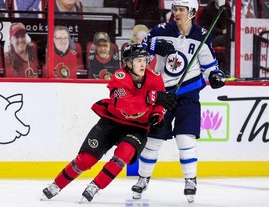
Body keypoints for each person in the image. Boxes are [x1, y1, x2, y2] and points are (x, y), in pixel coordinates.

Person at [41, 43, 177, 203]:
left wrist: (156, 117)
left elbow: (159, 105)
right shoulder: (119, 78)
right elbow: (126, 106)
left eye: (144, 60)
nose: (143, 64)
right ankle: (56, 185)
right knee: (85, 159)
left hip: (137, 127)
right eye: (138, 60)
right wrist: (151, 98)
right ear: (128, 63)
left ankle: (95, 186)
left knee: (123, 154)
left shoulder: (154, 77)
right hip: (112, 122)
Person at [131, 0, 226, 203]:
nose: (177, 13)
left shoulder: (201, 35)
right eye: (175, 9)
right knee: (154, 141)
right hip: (163, 95)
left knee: (185, 139)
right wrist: (154, 46)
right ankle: (143, 178)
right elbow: (140, 47)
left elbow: (209, 66)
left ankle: (190, 180)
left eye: (182, 10)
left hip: (189, 94)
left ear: (192, 13)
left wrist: (216, 76)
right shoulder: (161, 31)